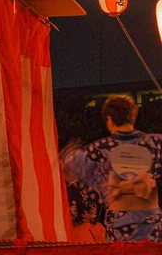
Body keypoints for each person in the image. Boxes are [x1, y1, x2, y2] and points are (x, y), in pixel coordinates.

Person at [62, 94, 162, 242]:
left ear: (109, 120)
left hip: (120, 225)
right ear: (133, 116)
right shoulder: (155, 143)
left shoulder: (99, 150)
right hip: (151, 222)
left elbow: (67, 168)